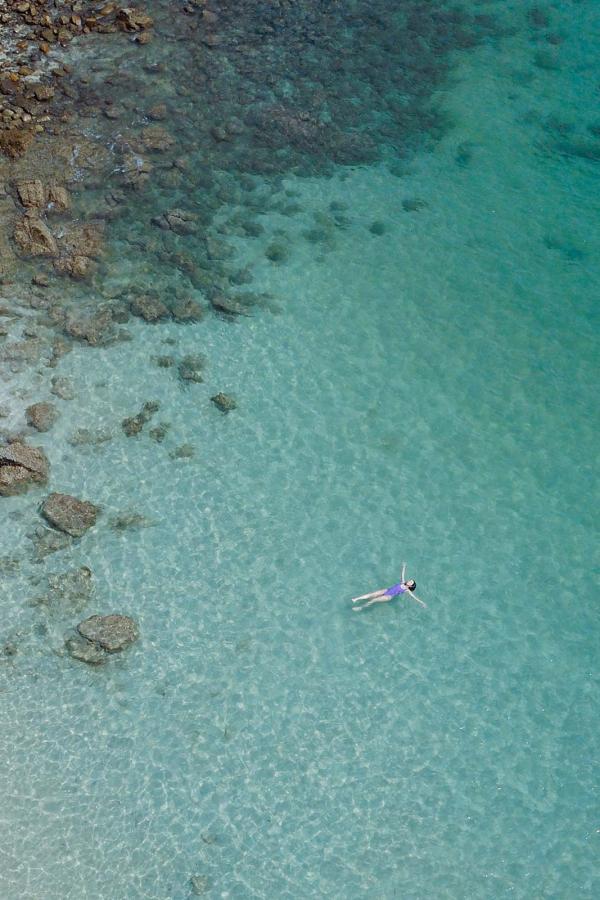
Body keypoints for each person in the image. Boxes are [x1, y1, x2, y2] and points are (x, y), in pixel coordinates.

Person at [351, 563, 426, 611]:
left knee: (373, 600)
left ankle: (361, 607)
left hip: (388, 596)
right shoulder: (403, 582)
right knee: (372, 594)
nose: (409, 581)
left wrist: (422, 603)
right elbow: (402, 574)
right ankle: (356, 599)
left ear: (410, 586)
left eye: (411, 582)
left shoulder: (407, 590)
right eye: (410, 580)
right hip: (386, 590)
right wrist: (404, 567)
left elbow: (414, 597)